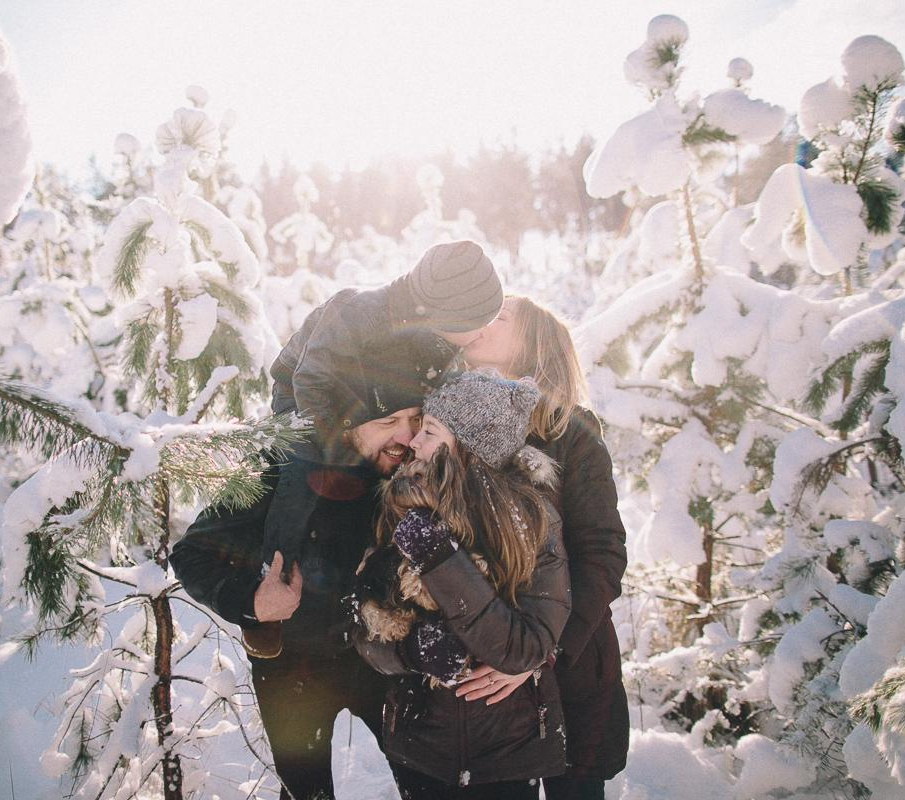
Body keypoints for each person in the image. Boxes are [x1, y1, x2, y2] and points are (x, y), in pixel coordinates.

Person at [170, 378, 427, 800]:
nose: (406, 435)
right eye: (389, 420)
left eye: (416, 418)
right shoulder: (280, 464)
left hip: (387, 658)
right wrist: (252, 603)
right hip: (293, 668)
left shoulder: (421, 468)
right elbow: (193, 552)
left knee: (426, 785)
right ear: (350, 422)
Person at [249, 239, 504, 658]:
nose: (481, 333)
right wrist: (338, 453)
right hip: (304, 401)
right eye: (477, 323)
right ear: (445, 314)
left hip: (365, 405)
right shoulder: (358, 311)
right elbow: (311, 379)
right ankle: (275, 581)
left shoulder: (430, 332)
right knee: (300, 474)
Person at [353, 370, 572, 799]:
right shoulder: (399, 505)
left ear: (468, 447)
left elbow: (523, 648)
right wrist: (408, 651)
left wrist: (440, 559)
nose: (414, 442)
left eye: (430, 431)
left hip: (507, 753)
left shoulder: (530, 523)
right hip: (421, 750)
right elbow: (360, 626)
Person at [454, 296, 629, 800]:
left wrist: (539, 652)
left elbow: (602, 555)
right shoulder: (451, 424)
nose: (482, 322)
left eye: (501, 317)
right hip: (484, 679)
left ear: (534, 345)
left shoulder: (570, 431)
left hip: (567, 670)